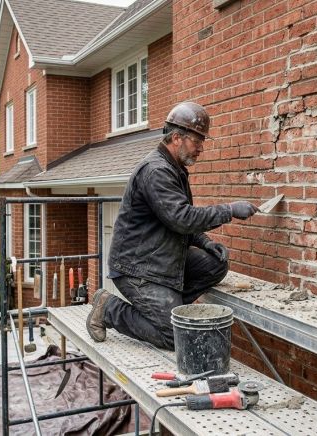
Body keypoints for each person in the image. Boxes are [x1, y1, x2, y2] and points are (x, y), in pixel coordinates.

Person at [85, 101, 260, 350]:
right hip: (138, 268)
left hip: (162, 257)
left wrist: (205, 242)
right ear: (177, 137)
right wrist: (229, 210)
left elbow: (178, 220)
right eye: (197, 141)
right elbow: (182, 217)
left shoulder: (174, 168)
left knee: (215, 265)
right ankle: (109, 309)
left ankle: (169, 308)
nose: (201, 148)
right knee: (177, 337)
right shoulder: (156, 171)